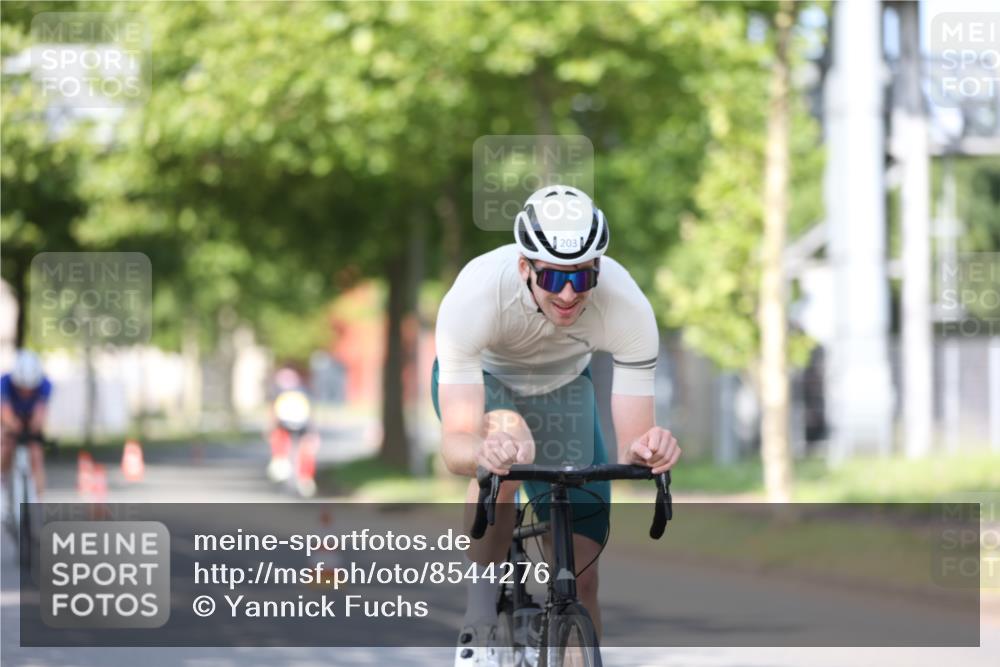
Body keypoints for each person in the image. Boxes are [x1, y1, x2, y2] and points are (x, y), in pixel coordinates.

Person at [433, 185, 681, 666]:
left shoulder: (627, 306)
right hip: (488, 378)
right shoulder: (477, 295)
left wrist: (652, 449)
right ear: (525, 267)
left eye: (582, 276)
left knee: (582, 575)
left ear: (598, 269)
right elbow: (455, 445)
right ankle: (480, 613)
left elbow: (633, 448)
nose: (568, 293)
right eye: (551, 276)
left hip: (564, 386)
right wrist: (484, 454)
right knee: (509, 446)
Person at [1, 350, 52, 499]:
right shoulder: (3, 382)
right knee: (4, 447)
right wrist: (11, 428)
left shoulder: (45, 384)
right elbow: (5, 412)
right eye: (22, 388)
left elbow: (41, 412)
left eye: (30, 389)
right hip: (9, 418)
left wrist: (34, 430)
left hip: (30, 418)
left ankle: (38, 501)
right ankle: (2, 482)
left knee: (36, 454)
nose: (26, 392)